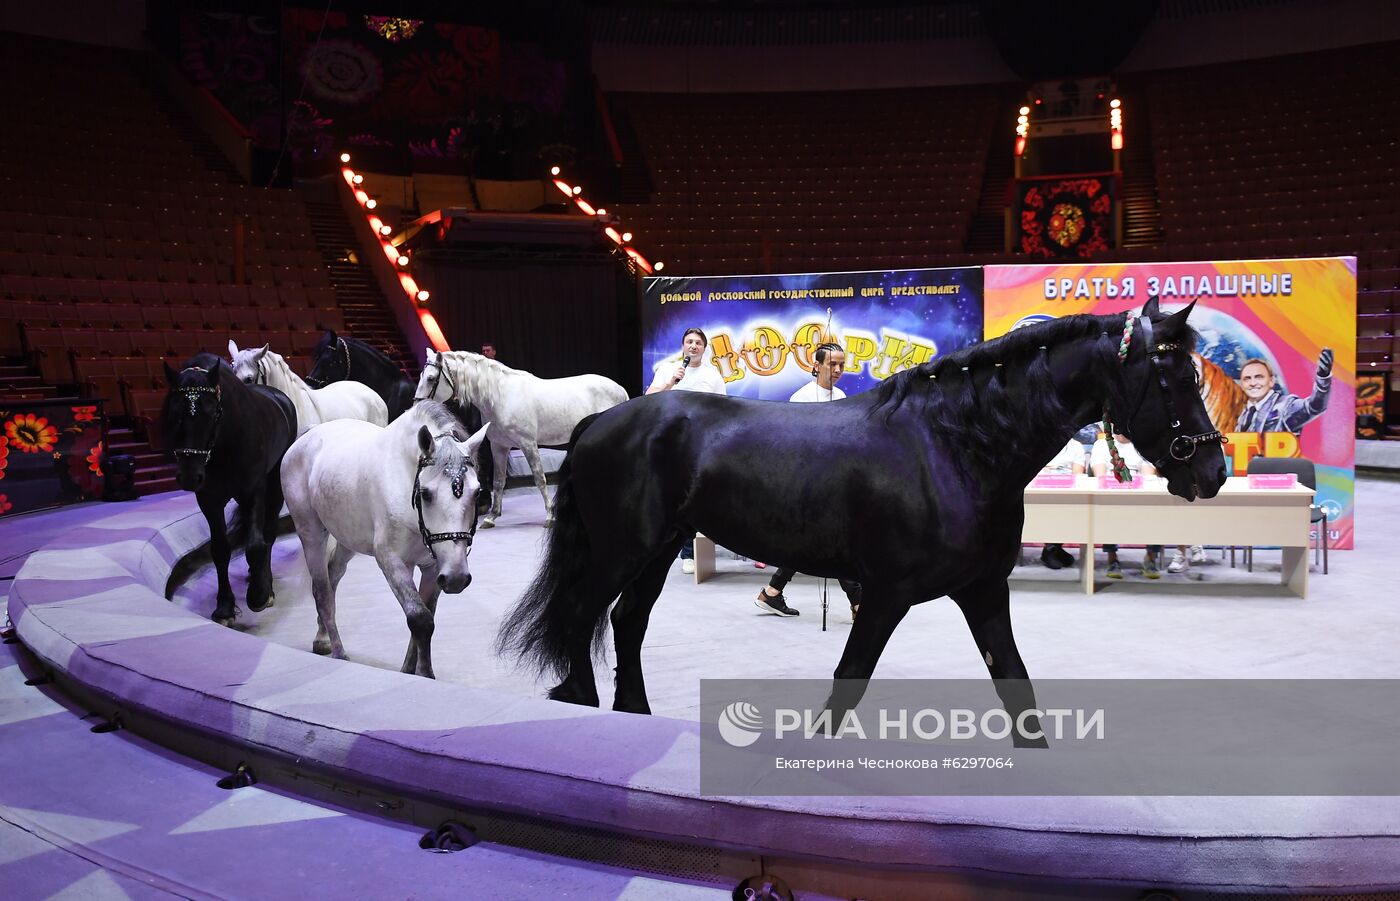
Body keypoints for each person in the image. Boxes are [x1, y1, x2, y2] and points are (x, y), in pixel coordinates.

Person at [755, 343, 862, 618]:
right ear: (816, 365)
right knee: (835, 542)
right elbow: (791, 445)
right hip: (806, 484)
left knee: (809, 542)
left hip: (832, 482)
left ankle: (772, 592)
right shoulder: (801, 397)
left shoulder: (840, 394)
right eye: (831, 364)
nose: (837, 370)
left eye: (841, 365)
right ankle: (858, 603)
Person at [648, 327, 727, 573]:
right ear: (683, 345)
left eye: (698, 343)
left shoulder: (712, 375)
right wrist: (671, 382)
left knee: (699, 494)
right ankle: (679, 551)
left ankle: (692, 551)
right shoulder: (668, 369)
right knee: (673, 495)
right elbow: (649, 397)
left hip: (701, 442)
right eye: (689, 342)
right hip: (671, 441)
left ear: (704, 348)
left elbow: (723, 408)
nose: (693, 346)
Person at [1090, 432, 1163, 579]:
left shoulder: (1144, 445)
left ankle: (1150, 558)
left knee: (1156, 509)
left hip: (1139, 494)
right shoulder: (1101, 445)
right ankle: (1112, 559)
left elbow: (1148, 477)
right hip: (1111, 493)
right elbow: (1100, 476)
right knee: (1107, 508)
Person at [1236, 349, 1333, 437]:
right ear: (1242, 384)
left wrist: (1323, 378)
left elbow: (1314, 407)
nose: (1253, 383)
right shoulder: (1244, 415)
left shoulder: (1286, 406)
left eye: (1259, 377)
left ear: (1271, 381)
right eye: (1247, 379)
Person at [1037, 437, 1088, 569]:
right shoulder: (1038, 443)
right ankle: (1052, 548)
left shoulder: (1076, 446)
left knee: (1067, 505)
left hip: (1066, 489)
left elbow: (1077, 474)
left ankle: (1053, 548)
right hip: (1040, 488)